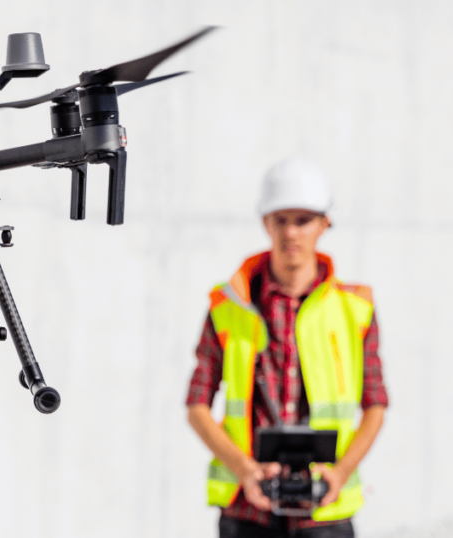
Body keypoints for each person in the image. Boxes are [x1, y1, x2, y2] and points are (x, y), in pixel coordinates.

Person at [186, 158, 388, 538]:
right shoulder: (228, 307)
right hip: (247, 514)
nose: (291, 232)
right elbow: (197, 405)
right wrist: (245, 469)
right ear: (265, 222)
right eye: (281, 220)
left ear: (324, 224)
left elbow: (375, 405)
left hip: (326, 514)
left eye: (303, 220)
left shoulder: (355, 310)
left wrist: (341, 472)